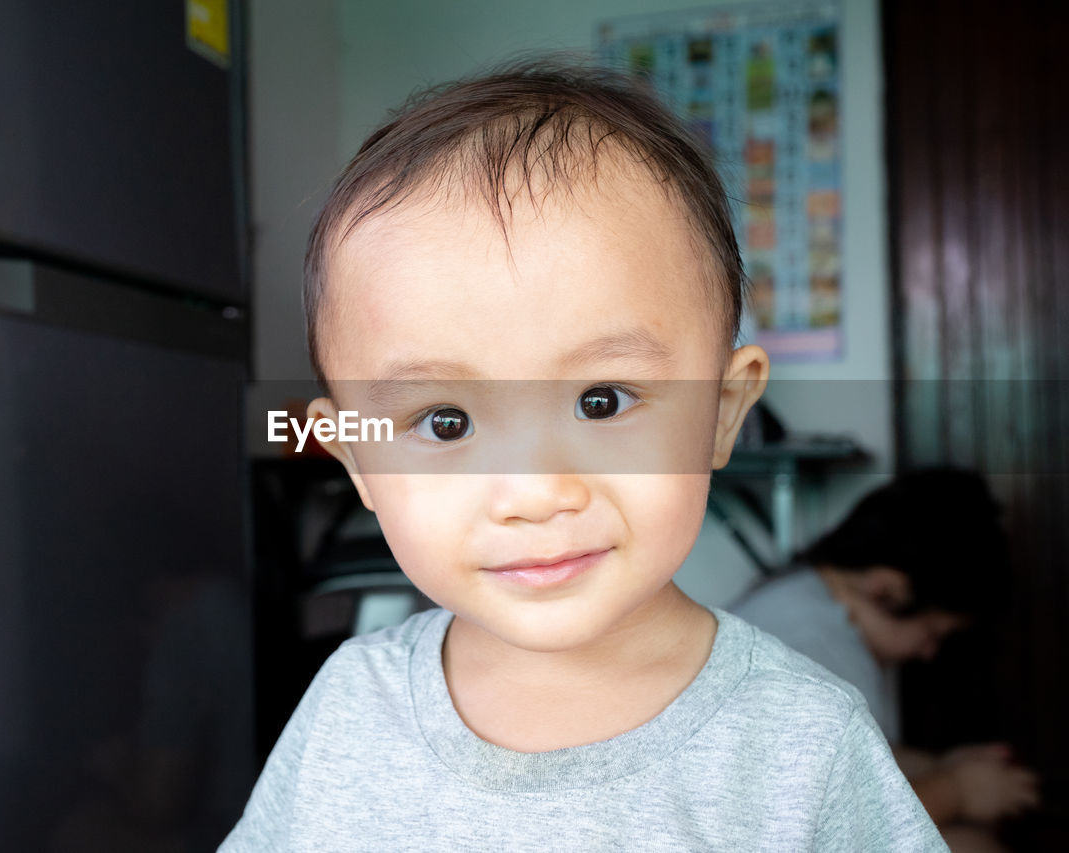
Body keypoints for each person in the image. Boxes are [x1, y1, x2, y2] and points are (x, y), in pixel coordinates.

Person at [221, 59, 944, 849]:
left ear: (721, 412)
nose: (535, 492)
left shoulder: (802, 742)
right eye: (446, 421)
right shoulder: (351, 708)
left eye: (602, 400)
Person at [733, 469, 1040, 850]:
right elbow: (835, 827)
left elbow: (855, 761)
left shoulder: (803, 597)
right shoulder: (816, 643)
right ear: (886, 589)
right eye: (932, 633)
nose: (929, 653)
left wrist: (937, 766)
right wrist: (956, 789)